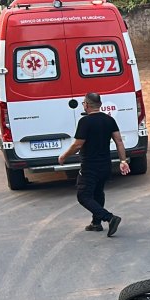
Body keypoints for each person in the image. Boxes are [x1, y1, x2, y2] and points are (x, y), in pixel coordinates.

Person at [57, 92, 129, 236]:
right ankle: (96, 223)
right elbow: (119, 141)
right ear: (100, 105)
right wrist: (123, 161)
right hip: (105, 165)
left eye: (83, 103)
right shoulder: (109, 120)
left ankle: (109, 218)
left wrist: (64, 156)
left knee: (83, 195)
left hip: (90, 166)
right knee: (98, 192)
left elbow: (78, 145)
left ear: (87, 105)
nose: (83, 105)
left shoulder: (85, 122)